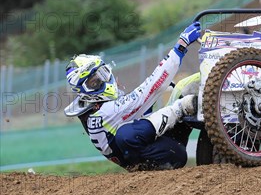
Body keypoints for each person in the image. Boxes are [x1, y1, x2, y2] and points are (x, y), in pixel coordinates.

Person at [63, 22, 203, 171]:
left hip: (158, 143)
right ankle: (183, 109)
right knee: (127, 133)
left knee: (181, 86)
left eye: (103, 73)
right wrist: (181, 45)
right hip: (168, 155)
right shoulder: (104, 112)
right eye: (94, 82)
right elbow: (150, 88)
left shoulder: (93, 109)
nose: (102, 81)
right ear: (84, 91)